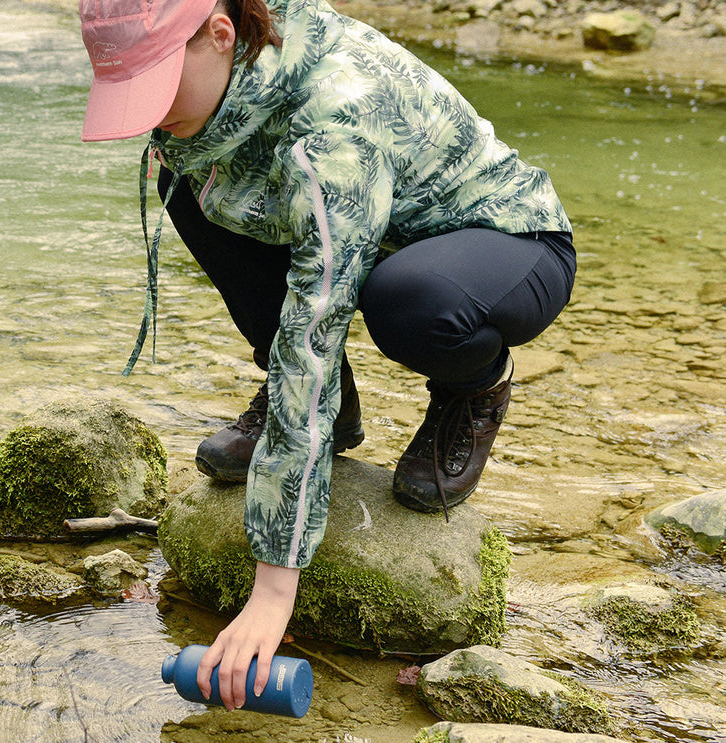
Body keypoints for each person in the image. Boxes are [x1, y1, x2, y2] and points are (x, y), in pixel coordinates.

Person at [78, 0, 575, 714]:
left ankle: (476, 385)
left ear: (220, 36)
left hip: (505, 242)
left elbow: (314, 328)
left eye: (156, 88)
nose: (150, 115)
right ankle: (337, 418)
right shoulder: (237, 55)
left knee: (410, 301)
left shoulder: (335, 122)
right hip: (374, 224)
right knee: (187, 179)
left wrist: (273, 588)